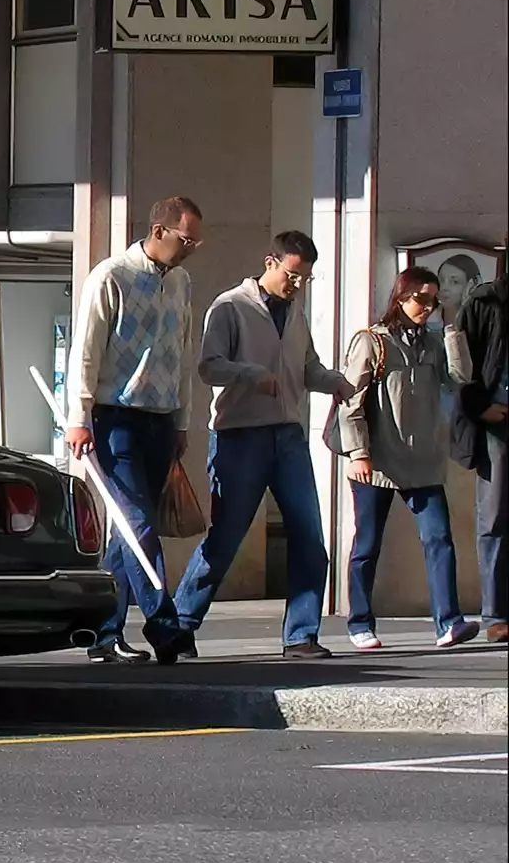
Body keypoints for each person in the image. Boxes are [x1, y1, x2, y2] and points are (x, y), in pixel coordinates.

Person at [160, 231, 353, 662]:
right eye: (292, 275)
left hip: (289, 436)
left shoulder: (296, 311)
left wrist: (335, 382)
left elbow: (307, 367)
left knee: (310, 537)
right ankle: (179, 627)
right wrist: (250, 373)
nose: (297, 285)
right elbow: (209, 367)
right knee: (226, 538)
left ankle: (300, 635)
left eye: (305, 278)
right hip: (239, 436)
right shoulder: (230, 306)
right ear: (270, 262)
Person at [65, 195, 203, 664]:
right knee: (138, 522)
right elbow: (86, 351)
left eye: (196, 242)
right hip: (115, 417)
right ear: (159, 231)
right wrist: (79, 417)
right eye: (186, 240)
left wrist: (182, 419)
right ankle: (166, 628)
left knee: (126, 531)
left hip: (161, 417)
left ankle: (102, 632)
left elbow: (183, 353)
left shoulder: (181, 282)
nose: (190, 249)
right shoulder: (110, 276)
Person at [337, 267, 478, 650]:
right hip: (378, 461)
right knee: (367, 544)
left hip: (423, 461)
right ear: (400, 297)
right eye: (420, 298)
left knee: (439, 539)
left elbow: (460, 377)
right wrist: (358, 453)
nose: (427, 306)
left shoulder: (434, 342)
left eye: (433, 300)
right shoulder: (373, 341)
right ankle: (359, 622)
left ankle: (449, 622)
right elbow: (350, 402)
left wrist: (451, 328)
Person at [451, 250, 508, 643]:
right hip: (498, 423)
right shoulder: (485, 301)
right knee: (495, 516)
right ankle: (497, 613)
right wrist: (480, 407)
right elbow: (460, 364)